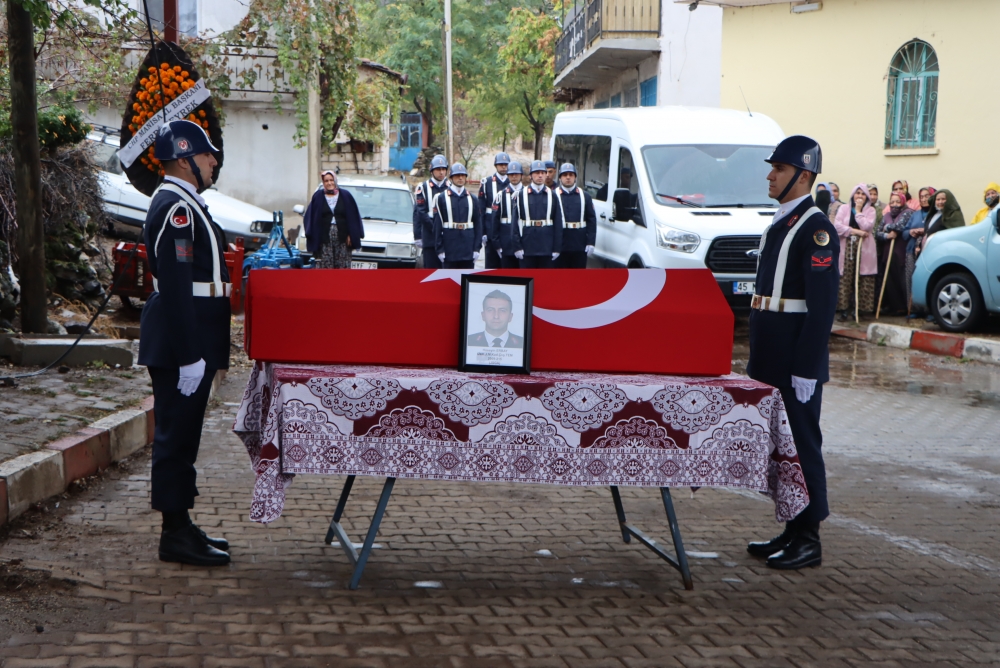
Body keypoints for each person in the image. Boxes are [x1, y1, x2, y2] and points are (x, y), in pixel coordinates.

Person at [139, 120, 232, 567]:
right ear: (184, 157)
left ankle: (181, 522)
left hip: (194, 333)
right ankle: (173, 533)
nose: (214, 160)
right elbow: (176, 287)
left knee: (186, 435)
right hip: (184, 338)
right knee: (176, 436)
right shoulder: (176, 207)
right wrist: (190, 354)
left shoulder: (186, 203)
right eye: (207, 153)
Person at [745, 135, 838, 570]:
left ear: (802, 176)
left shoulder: (815, 229)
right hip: (772, 354)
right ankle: (791, 525)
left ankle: (810, 537)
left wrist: (806, 367)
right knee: (782, 448)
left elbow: (821, 309)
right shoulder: (783, 220)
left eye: (778, 169)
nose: (769, 175)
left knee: (803, 444)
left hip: (794, 360)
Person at [302, 170, 364, 269]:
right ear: (323, 182)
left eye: (331, 180)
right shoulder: (318, 196)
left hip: (343, 237)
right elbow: (311, 216)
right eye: (326, 181)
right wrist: (313, 235)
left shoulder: (345, 195)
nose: (329, 183)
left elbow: (353, 216)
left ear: (335, 180)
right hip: (324, 237)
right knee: (326, 265)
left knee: (342, 265)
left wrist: (351, 234)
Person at [834, 184, 877, 318]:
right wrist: (855, 231)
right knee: (845, 277)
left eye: (863, 193)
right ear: (853, 195)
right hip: (846, 245)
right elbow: (837, 226)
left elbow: (868, 226)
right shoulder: (843, 208)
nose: (860, 196)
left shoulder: (870, 210)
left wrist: (858, 212)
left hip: (865, 247)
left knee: (864, 277)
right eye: (857, 193)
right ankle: (843, 309)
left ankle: (859, 310)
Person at [511, 160, 563, 268]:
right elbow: (515, 223)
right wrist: (517, 247)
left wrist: (557, 248)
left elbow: (558, 223)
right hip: (527, 246)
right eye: (537, 173)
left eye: (543, 173)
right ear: (531, 175)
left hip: (546, 247)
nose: (540, 175)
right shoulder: (521, 195)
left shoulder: (552, 195)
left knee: (545, 281)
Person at [433, 163, 482, 269]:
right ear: (451, 178)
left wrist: (477, 248)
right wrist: (439, 249)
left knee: (466, 282)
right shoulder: (441, 198)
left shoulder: (473, 199)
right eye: (457, 175)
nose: (460, 178)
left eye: (463, 175)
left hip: (467, 247)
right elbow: (437, 226)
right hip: (449, 248)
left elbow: (478, 225)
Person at [875, 192, 912, 316]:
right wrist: (887, 235)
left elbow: (899, 226)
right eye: (892, 202)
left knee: (901, 279)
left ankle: (905, 307)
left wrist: (887, 227)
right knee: (889, 280)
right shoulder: (886, 216)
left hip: (900, 253)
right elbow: (877, 233)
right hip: (887, 253)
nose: (895, 205)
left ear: (902, 202)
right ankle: (894, 306)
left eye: (898, 202)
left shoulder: (907, 212)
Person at [554, 162, 596, 268]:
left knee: (578, 279)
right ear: (560, 178)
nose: (568, 177)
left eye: (571, 174)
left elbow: (591, 220)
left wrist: (591, 242)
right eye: (565, 175)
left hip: (579, 244)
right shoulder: (552, 195)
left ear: (575, 177)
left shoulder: (585, 196)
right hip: (560, 244)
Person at [413, 154, 450, 269]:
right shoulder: (423, 187)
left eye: (443, 169)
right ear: (432, 170)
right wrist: (418, 235)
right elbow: (420, 212)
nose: (441, 172)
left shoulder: (451, 187)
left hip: (447, 237)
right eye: (438, 169)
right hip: (430, 235)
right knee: (430, 269)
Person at [905, 187, 935, 317]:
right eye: (921, 196)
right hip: (912, 250)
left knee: (929, 278)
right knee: (911, 278)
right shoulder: (915, 214)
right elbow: (904, 233)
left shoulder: (936, 215)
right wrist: (911, 232)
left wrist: (925, 231)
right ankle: (914, 309)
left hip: (929, 252)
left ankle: (930, 310)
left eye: (926, 196)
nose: (923, 199)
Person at [478, 152, 511, 269]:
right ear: (496, 165)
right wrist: (483, 232)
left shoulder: (513, 182)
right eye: (501, 164)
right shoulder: (486, 183)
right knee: (491, 264)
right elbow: (481, 209)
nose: (503, 167)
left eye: (506, 164)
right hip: (490, 229)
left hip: (507, 230)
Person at [491, 161, 524, 268]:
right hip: (506, 243)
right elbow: (494, 222)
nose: (514, 177)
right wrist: (497, 245)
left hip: (524, 242)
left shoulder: (527, 194)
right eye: (511, 174)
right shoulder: (500, 195)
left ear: (521, 175)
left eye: (517, 174)